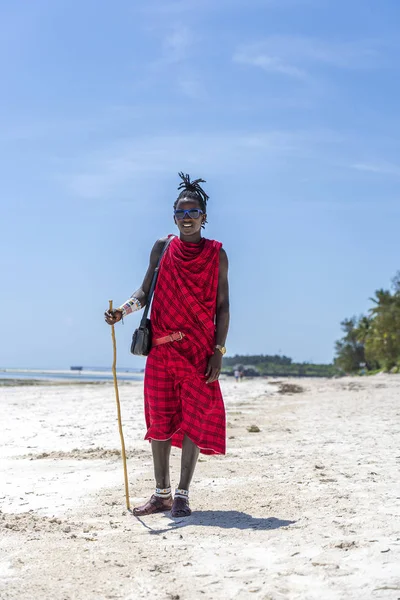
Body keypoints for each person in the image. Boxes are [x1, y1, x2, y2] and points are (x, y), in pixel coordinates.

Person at [104, 173, 230, 518]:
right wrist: (122, 311)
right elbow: (144, 292)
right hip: (161, 349)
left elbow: (223, 306)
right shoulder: (163, 247)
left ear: (204, 216)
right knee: (158, 419)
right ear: (173, 217)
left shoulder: (216, 254)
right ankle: (161, 494)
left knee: (193, 420)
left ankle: (183, 495)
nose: (186, 218)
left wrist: (218, 352)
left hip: (198, 351)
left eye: (193, 212)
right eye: (180, 213)